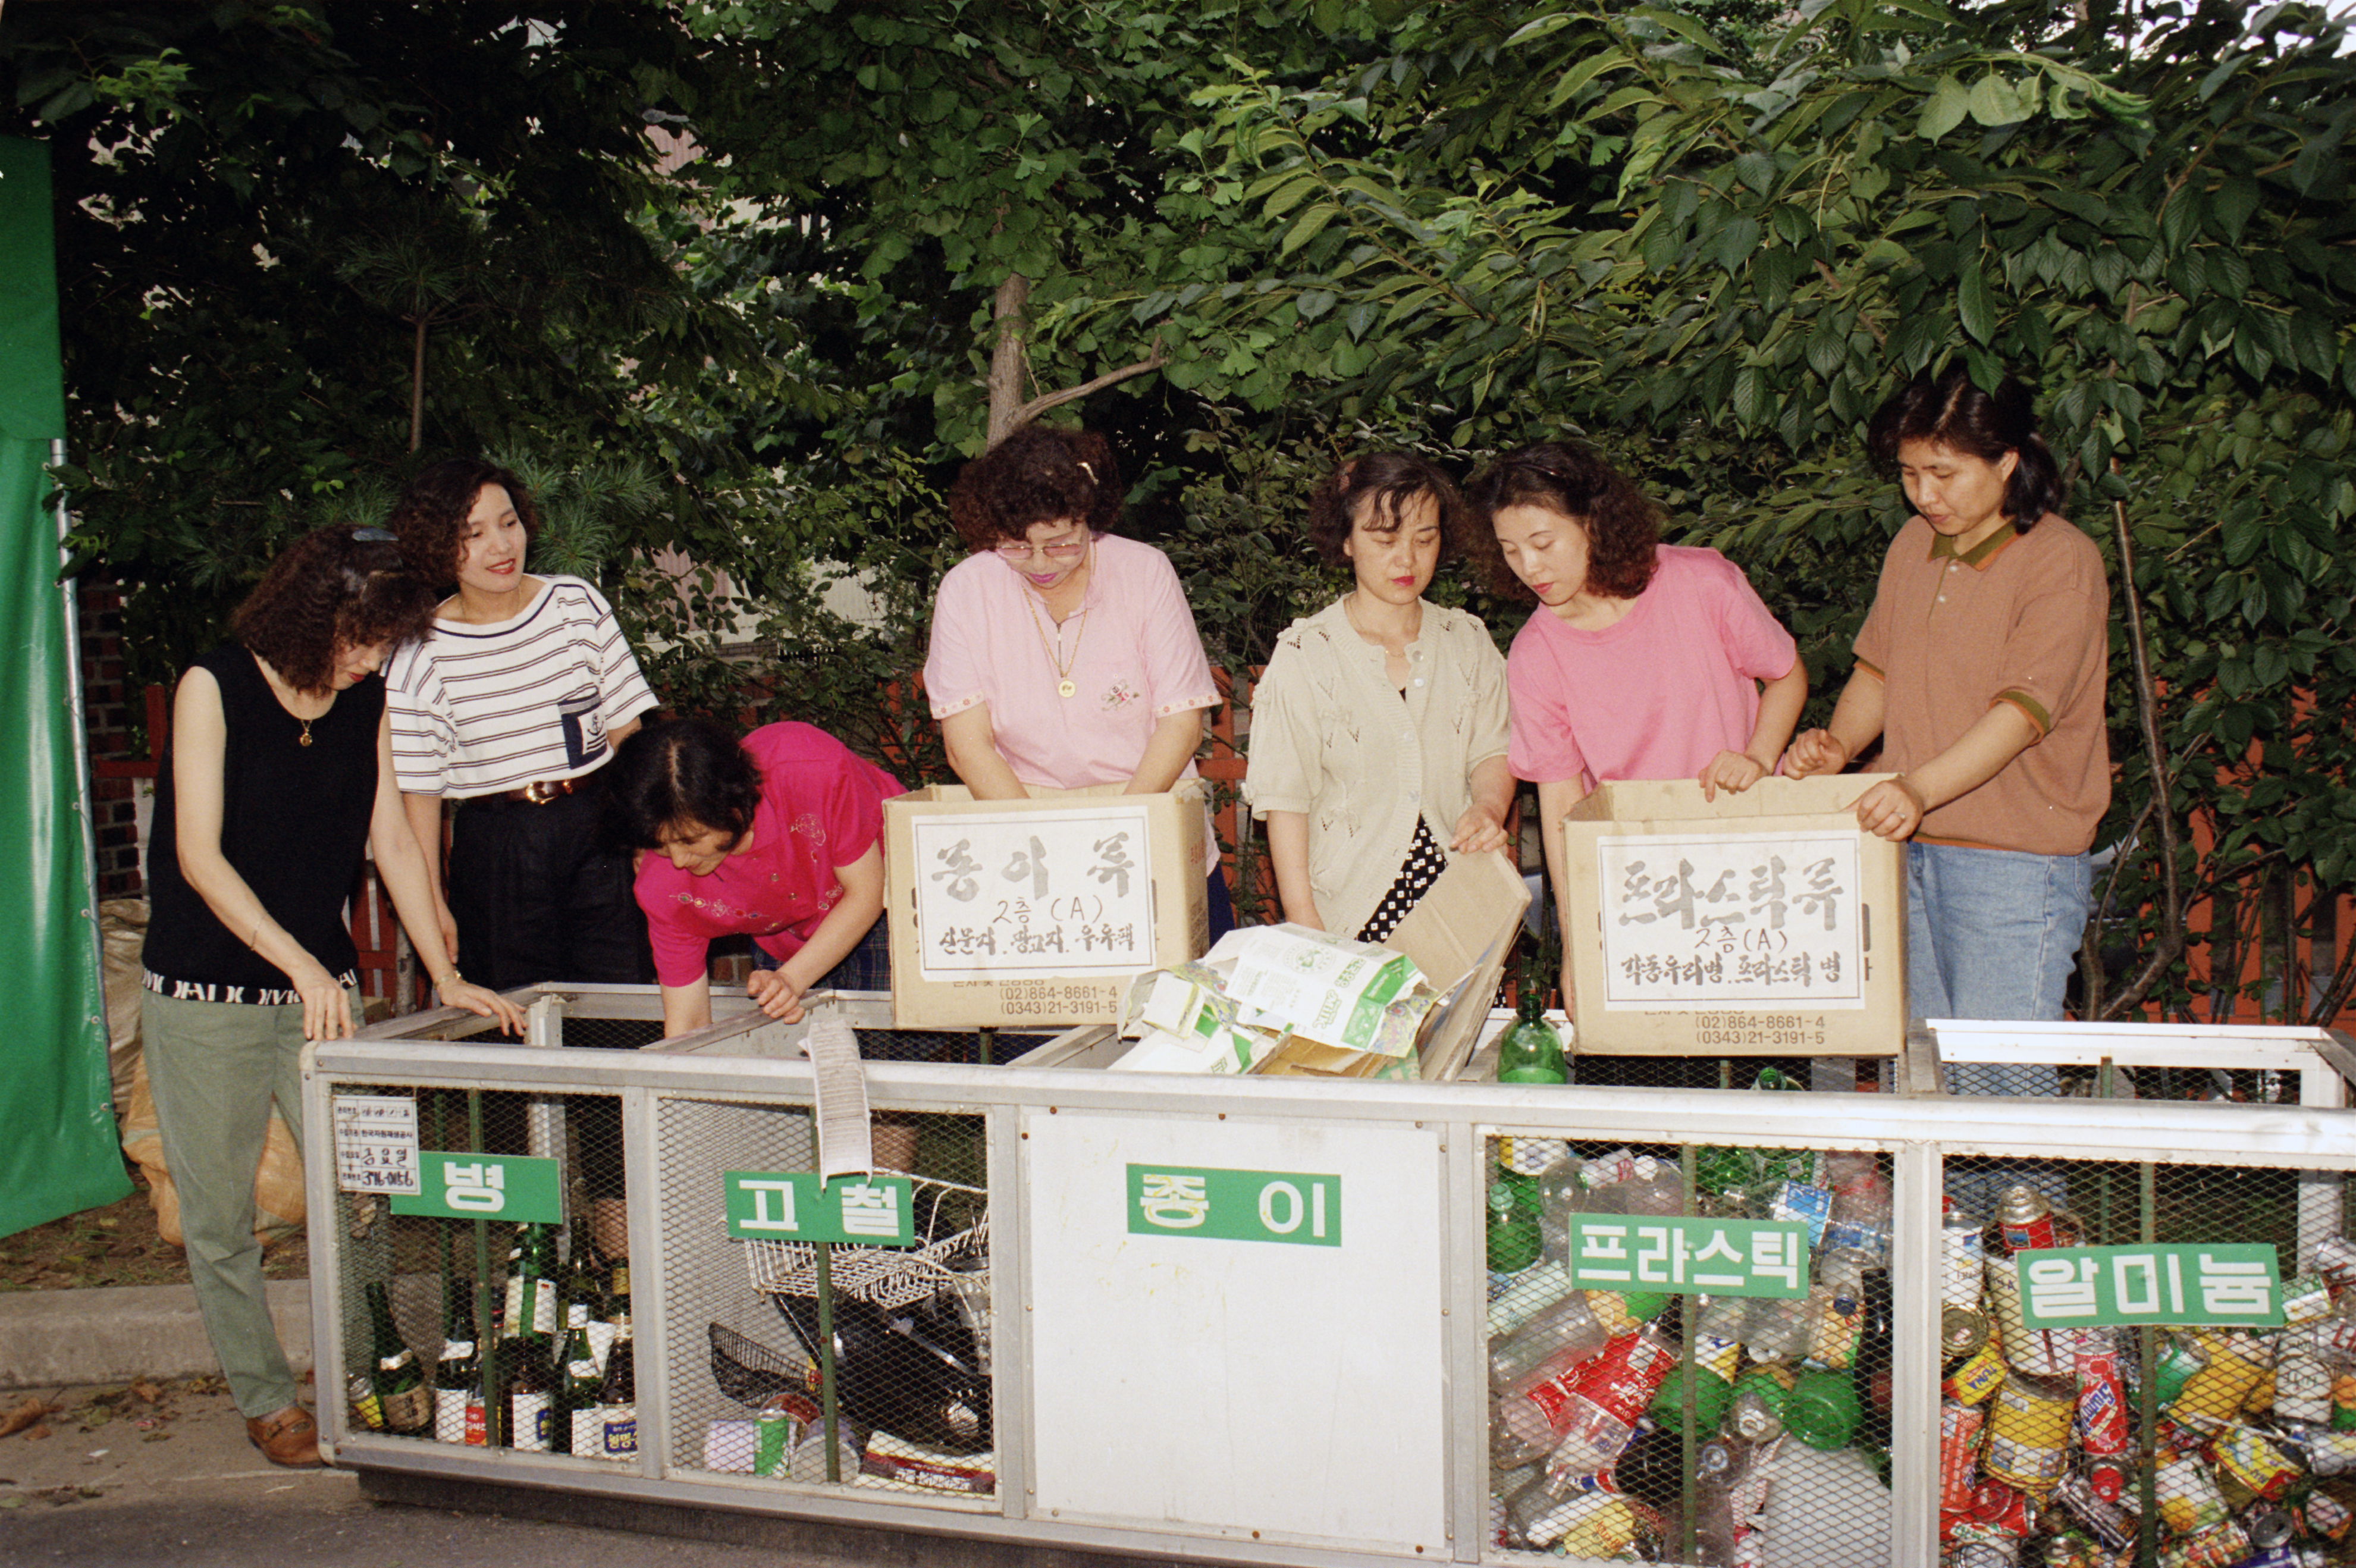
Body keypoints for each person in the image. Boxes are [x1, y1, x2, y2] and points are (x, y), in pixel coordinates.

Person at [140, 527, 525, 1469]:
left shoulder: (368, 700)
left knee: (365, 1195)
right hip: (208, 990)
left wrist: (443, 969)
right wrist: (299, 966)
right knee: (221, 1213)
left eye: (383, 644)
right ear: (314, 615)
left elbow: (391, 838)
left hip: (323, 991)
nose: (368, 661)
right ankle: (266, 1397)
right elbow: (198, 856)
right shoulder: (214, 685)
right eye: (359, 640)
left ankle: (366, 1370)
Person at [1783, 366, 2109, 1103]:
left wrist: (1916, 786)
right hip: (1910, 847)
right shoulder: (1912, 544)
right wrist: (1838, 747)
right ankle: (1941, 1223)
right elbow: (1878, 670)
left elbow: (2021, 715)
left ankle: (2026, 1223)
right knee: (1919, 1075)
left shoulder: (2061, 560)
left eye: (1942, 473)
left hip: (2014, 867)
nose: (1924, 494)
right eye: (1908, 474)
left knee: (2002, 1085)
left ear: (2006, 461)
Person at [384, 458, 660, 1261]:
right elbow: (419, 797)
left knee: (618, 1033)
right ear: (440, 550)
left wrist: (643, 846)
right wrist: (431, 898)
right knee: (505, 1047)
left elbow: (631, 729)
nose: (499, 546)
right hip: (496, 844)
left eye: (508, 522)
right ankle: (527, 1263)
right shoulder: (418, 650)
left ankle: (620, 1261)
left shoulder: (575, 602)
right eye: (472, 535)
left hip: (597, 824)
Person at [1467, 442, 1807, 1003]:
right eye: (1509, 550)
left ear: (1593, 524)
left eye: (1543, 543)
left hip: (1746, 863)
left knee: (1755, 1062)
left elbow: (1786, 674)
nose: (1529, 567)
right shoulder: (1534, 654)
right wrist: (1577, 946)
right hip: (1635, 882)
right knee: (1646, 1071)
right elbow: (1560, 807)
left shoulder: (1701, 583)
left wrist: (1756, 757)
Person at [922, 424, 1232, 934]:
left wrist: (1121, 839)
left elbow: (1181, 722)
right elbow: (967, 745)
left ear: (1090, 519)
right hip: (1024, 835)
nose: (1041, 564)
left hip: (1148, 814)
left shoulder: (1144, 572)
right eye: (1017, 547)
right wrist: (1046, 850)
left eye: (1062, 543)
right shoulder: (966, 590)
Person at [1244, 453, 1513, 942]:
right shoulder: (1305, 656)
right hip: (1347, 911)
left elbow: (1493, 749)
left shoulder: (1467, 641)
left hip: (1461, 901)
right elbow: (1285, 799)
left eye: (1424, 539)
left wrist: (1489, 808)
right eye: (1384, 539)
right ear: (1346, 541)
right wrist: (1307, 926)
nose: (1405, 559)